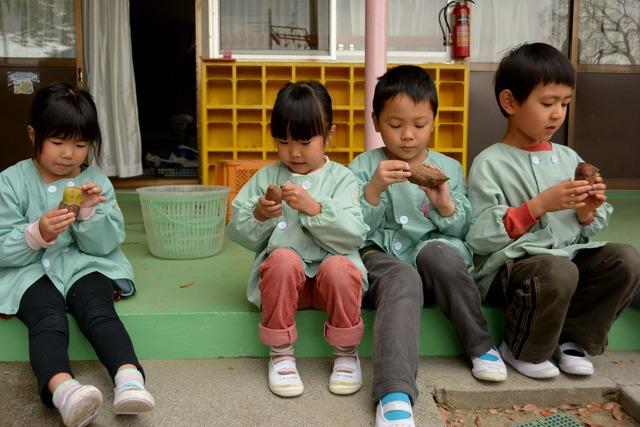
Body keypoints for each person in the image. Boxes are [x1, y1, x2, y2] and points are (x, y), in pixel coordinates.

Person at [466, 42, 640, 380]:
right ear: (510, 102)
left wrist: (587, 212)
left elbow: (587, 229)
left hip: (566, 261)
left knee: (626, 259)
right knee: (558, 270)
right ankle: (521, 348)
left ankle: (571, 339)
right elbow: (479, 236)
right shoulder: (490, 162)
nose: (558, 113)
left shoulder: (568, 158)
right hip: (511, 271)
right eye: (547, 103)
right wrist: (537, 206)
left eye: (564, 103)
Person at [349, 65, 506, 427]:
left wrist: (445, 204)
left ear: (433, 121)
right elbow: (351, 231)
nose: (407, 136)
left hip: (432, 248)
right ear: (375, 121)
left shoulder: (447, 166)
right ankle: (393, 391)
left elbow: (467, 227)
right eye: (395, 124)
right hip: (381, 254)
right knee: (403, 277)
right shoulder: (363, 166)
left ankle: (480, 345)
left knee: (442, 258)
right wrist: (372, 191)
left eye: (419, 125)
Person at [0, 83, 155, 427]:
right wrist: (37, 232)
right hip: (28, 271)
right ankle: (64, 390)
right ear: (33, 135)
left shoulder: (96, 182)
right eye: (57, 142)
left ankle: (129, 380)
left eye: (81, 145)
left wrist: (88, 215)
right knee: (47, 319)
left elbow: (105, 245)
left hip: (84, 265)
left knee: (99, 311)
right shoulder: (10, 182)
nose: (69, 154)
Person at [226, 81, 369, 398]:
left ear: (329, 135)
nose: (294, 151)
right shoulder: (268, 176)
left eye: (305, 141)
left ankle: (346, 350)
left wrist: (314, 208)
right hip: (283, 284)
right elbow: (239, 229)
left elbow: (354, 234)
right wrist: (261, 214)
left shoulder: (341, 178)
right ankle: (280, 353)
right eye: (283, 141)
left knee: (340, 268)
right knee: (283, 258)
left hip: (327, 287)